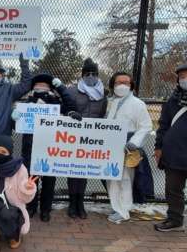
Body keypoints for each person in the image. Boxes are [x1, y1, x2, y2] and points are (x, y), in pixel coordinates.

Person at [13, 73, 81, 222]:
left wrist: (60, 87)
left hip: (50, 148)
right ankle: (31, 207)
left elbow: (71, 106)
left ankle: (45, 210)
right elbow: (17, 125)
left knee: (49, 181)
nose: (40, 88)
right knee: (31, 180)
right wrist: (15, 118)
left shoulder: (55, 103)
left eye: (44, 85)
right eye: (37, 85)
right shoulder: (27, 102)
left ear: (50, 88)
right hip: (30, 148)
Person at [106, 72, 152, 224]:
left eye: (126, 82)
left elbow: (146, 126)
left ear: (131, 85)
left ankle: (123, 210)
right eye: (118, 82)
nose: (122, 85)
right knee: (112, 177)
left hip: (128, 146)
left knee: (125, 179)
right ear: (113, 85)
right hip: (110, 144)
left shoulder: (138, 104)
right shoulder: (110, 102)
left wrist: (135, 142)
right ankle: (115, 205)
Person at [67, 58, 107, 219]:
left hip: (91, 139)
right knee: (72, 170)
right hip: (72, 137)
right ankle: (71, 203)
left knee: (83, 171)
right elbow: (64, 109)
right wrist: (70, 114)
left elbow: (104, 115)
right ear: (82, 75)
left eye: (94, 74)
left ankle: (80, 203)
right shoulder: (72, 91)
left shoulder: (103, 94)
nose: (91, 76)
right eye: (87, 74)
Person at [0, 135, 36, 249]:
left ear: (10, 152)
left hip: (11, 204)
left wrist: (27, 188)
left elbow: (24, 199)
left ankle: (14, 235)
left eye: (3, 151)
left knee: (8, 215)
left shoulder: (20, 168)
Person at [154, 63, 187, 232]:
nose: (184, 79)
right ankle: (175, 219)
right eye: (182, 76)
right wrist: (158, 146)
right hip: (174, 153)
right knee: (173, 189)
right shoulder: (173, 100)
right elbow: (163, 125)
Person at [0, 54, 32, 138]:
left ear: (2, 75)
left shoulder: (9, 89)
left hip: (2, 138)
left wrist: (24, 65)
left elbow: (26, 85)